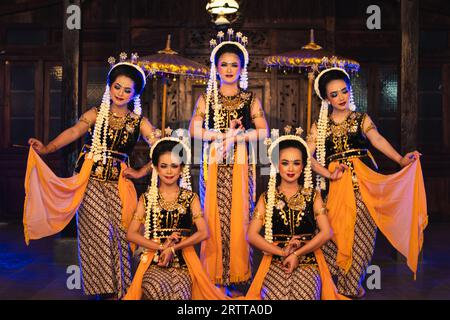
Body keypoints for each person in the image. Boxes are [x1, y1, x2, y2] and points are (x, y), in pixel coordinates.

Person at [24, 53, 157, 299]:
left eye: (127, 90)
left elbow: (168, 148)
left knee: (121, 237)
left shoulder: (139, 122)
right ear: (109, 86)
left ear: (134, 94)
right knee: (98, 237)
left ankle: (122, 292)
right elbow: (75, 130)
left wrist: (141, 171)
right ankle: (104, 293)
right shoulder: (96, 114)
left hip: (120, 187)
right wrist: (48, 148)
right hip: (90, 183)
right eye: (117, 86)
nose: (120, 93)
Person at [307, 67, 428, 298]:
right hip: (336, 187)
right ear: (326, 98)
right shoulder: (319, 126)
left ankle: (350, 287)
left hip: (365, 185)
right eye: (334, 94)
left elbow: (378, 140)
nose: (341, 97)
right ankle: (338, 282)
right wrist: (328, 173)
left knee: (362, 236)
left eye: (344, 91)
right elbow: (306, 156)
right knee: (332, 234)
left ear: (349, 90)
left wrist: (401, 159)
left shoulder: (361, 119)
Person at [189, 29, 268, 295]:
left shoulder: (249, 99)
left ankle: (238, 275)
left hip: (241, 162)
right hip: (212, 160)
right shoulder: (206, 99)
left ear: (242, 67)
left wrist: (237, 138)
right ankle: (211, 276)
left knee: (240, 214)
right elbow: (194, 130)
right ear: (216, 67)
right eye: (224, 64)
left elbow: (263, 131)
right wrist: (222, 135)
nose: (229, 69)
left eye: (235, 64)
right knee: (211, 214)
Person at [245, 127, 346, 300]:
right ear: (277, 165)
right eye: (285, 163)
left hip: (308, 260)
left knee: (303, 296)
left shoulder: (313, 196)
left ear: (303, 166)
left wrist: (296, 254)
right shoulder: (267, 198)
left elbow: (326, 232)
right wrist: (283, 253)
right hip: (277, 260)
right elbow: (251, 236)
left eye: (296, 163)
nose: (290, 168)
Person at [124, 135, 228, 300]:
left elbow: (203, 233)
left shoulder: (190, 198)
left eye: (174, 166)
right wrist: (160, 247)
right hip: (153, 262)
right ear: (156, 168)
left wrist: (173, 248)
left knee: (179, 292)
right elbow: (131, 234)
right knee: (155, 289)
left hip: (184, 263)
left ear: (181, 169)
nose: (169, 171)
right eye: (164, 166)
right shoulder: (146, 198)